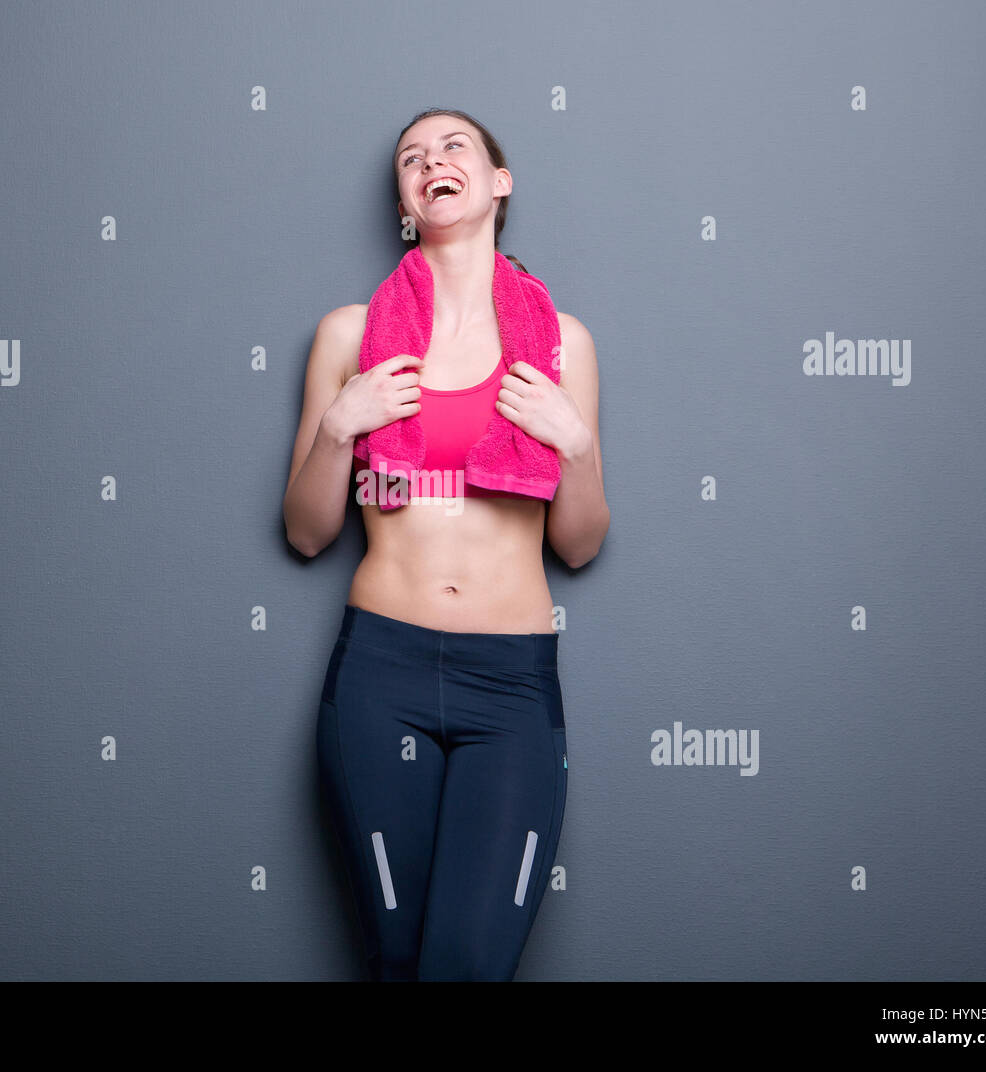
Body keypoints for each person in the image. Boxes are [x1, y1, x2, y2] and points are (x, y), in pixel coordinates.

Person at [283, 108, 609, 980]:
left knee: (466, 963)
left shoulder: (562, 345)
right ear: (404, 201)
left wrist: (572, 444)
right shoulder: (350, 336)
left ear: (498, 182)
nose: (432, 160)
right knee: (398, 958)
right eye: (411, 158)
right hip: (379, 672)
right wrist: (339, 429)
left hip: (511, 684)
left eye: (453, 146)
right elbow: (308, 532)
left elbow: (579, 545)